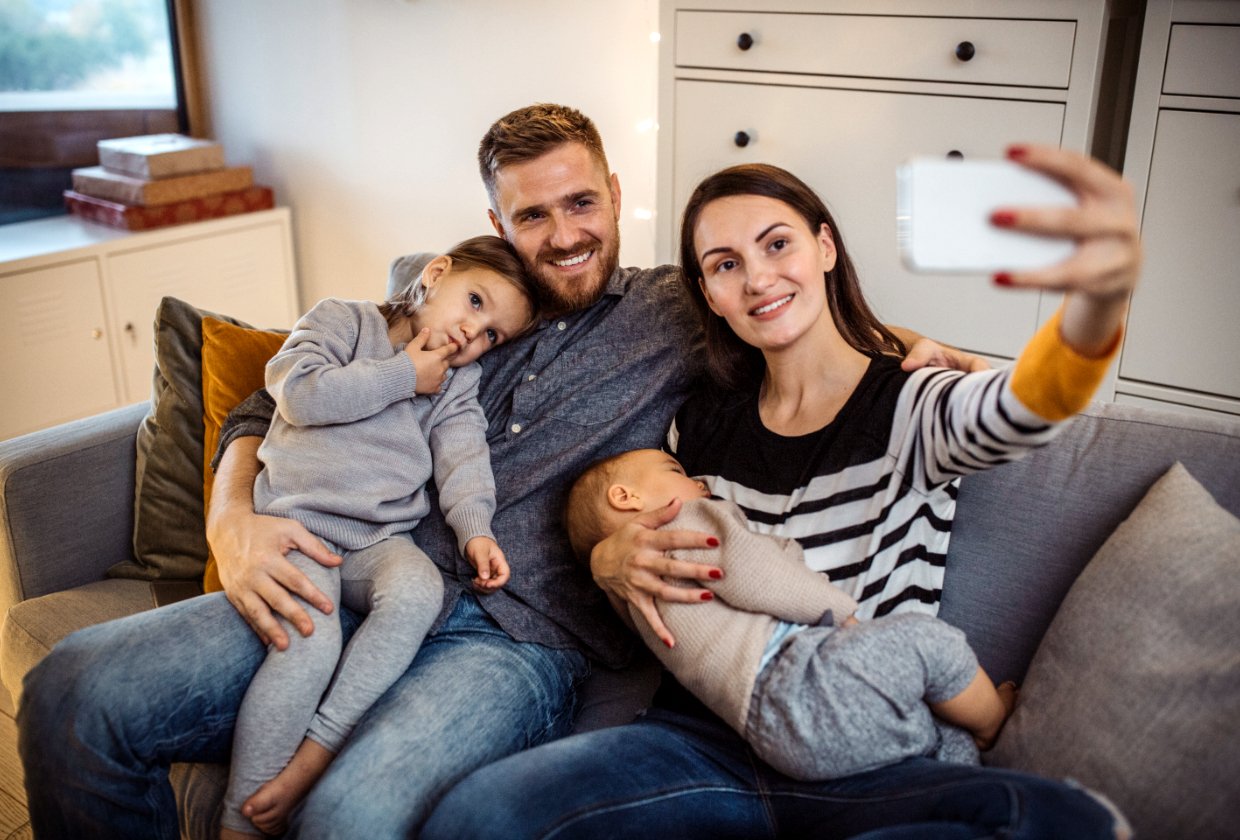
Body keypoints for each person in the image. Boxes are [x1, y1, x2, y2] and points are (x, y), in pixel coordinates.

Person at [18, 103, 992, 840]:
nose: (564, 233)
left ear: (616, 193)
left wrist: (904, 342)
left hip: (513, 643)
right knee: (73, 694)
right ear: (496, 219)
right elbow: (274, 398)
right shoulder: (460, 302)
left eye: (581, 202)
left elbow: (782, 300)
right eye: (534, 214)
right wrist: (231, 520)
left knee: (348, 819)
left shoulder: (675, 310)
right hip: (352, 570)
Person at [421, 146, 1140, 839]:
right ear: (709, 294)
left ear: (824, 247)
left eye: (777, 245)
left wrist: (1099, 300)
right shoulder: (695, 423)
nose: (758, 279)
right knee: (479, 817)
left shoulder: (912, 403)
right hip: (698, 745)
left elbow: (1025, 407)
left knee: (1056, 818)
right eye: (726, 264)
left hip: (860, 750)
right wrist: (607, 560)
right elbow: (621, 512)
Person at [218, 235, 538, 838]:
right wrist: (403, 375)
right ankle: (240, 821)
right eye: (474, 301)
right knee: (308, 638)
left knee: (419, 591)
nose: (472, 332)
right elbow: (298, 393)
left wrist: (476, 532)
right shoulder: (343, 321)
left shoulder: (457, 383)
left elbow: (464, 459)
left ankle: (324, 742)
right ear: (436, 274)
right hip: (295, 523)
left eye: (492, 334)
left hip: (377, 539)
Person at [564, 447, 1017, 782]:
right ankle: (993, 723)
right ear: (625, 496)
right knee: (928, 641)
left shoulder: (631, 597)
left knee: (929, 735)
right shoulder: (682, 524)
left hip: (774, 740)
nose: (699, 483)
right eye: (676, 471)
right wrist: (840, 614)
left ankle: (964, 768)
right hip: (798, 679)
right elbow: (757, 573)